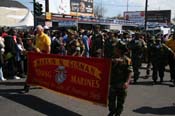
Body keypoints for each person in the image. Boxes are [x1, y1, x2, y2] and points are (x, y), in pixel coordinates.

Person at [108, 41, 133, 116]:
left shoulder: (127, 60)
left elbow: (129, 72)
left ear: (119, 49)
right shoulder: (112, 58)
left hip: (121, 85)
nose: (114, 49)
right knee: (111, 101)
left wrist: (127, 82)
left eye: (115, 47)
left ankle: (118, 114)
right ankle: (112, 111)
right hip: (112, 84)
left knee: (120, 102)